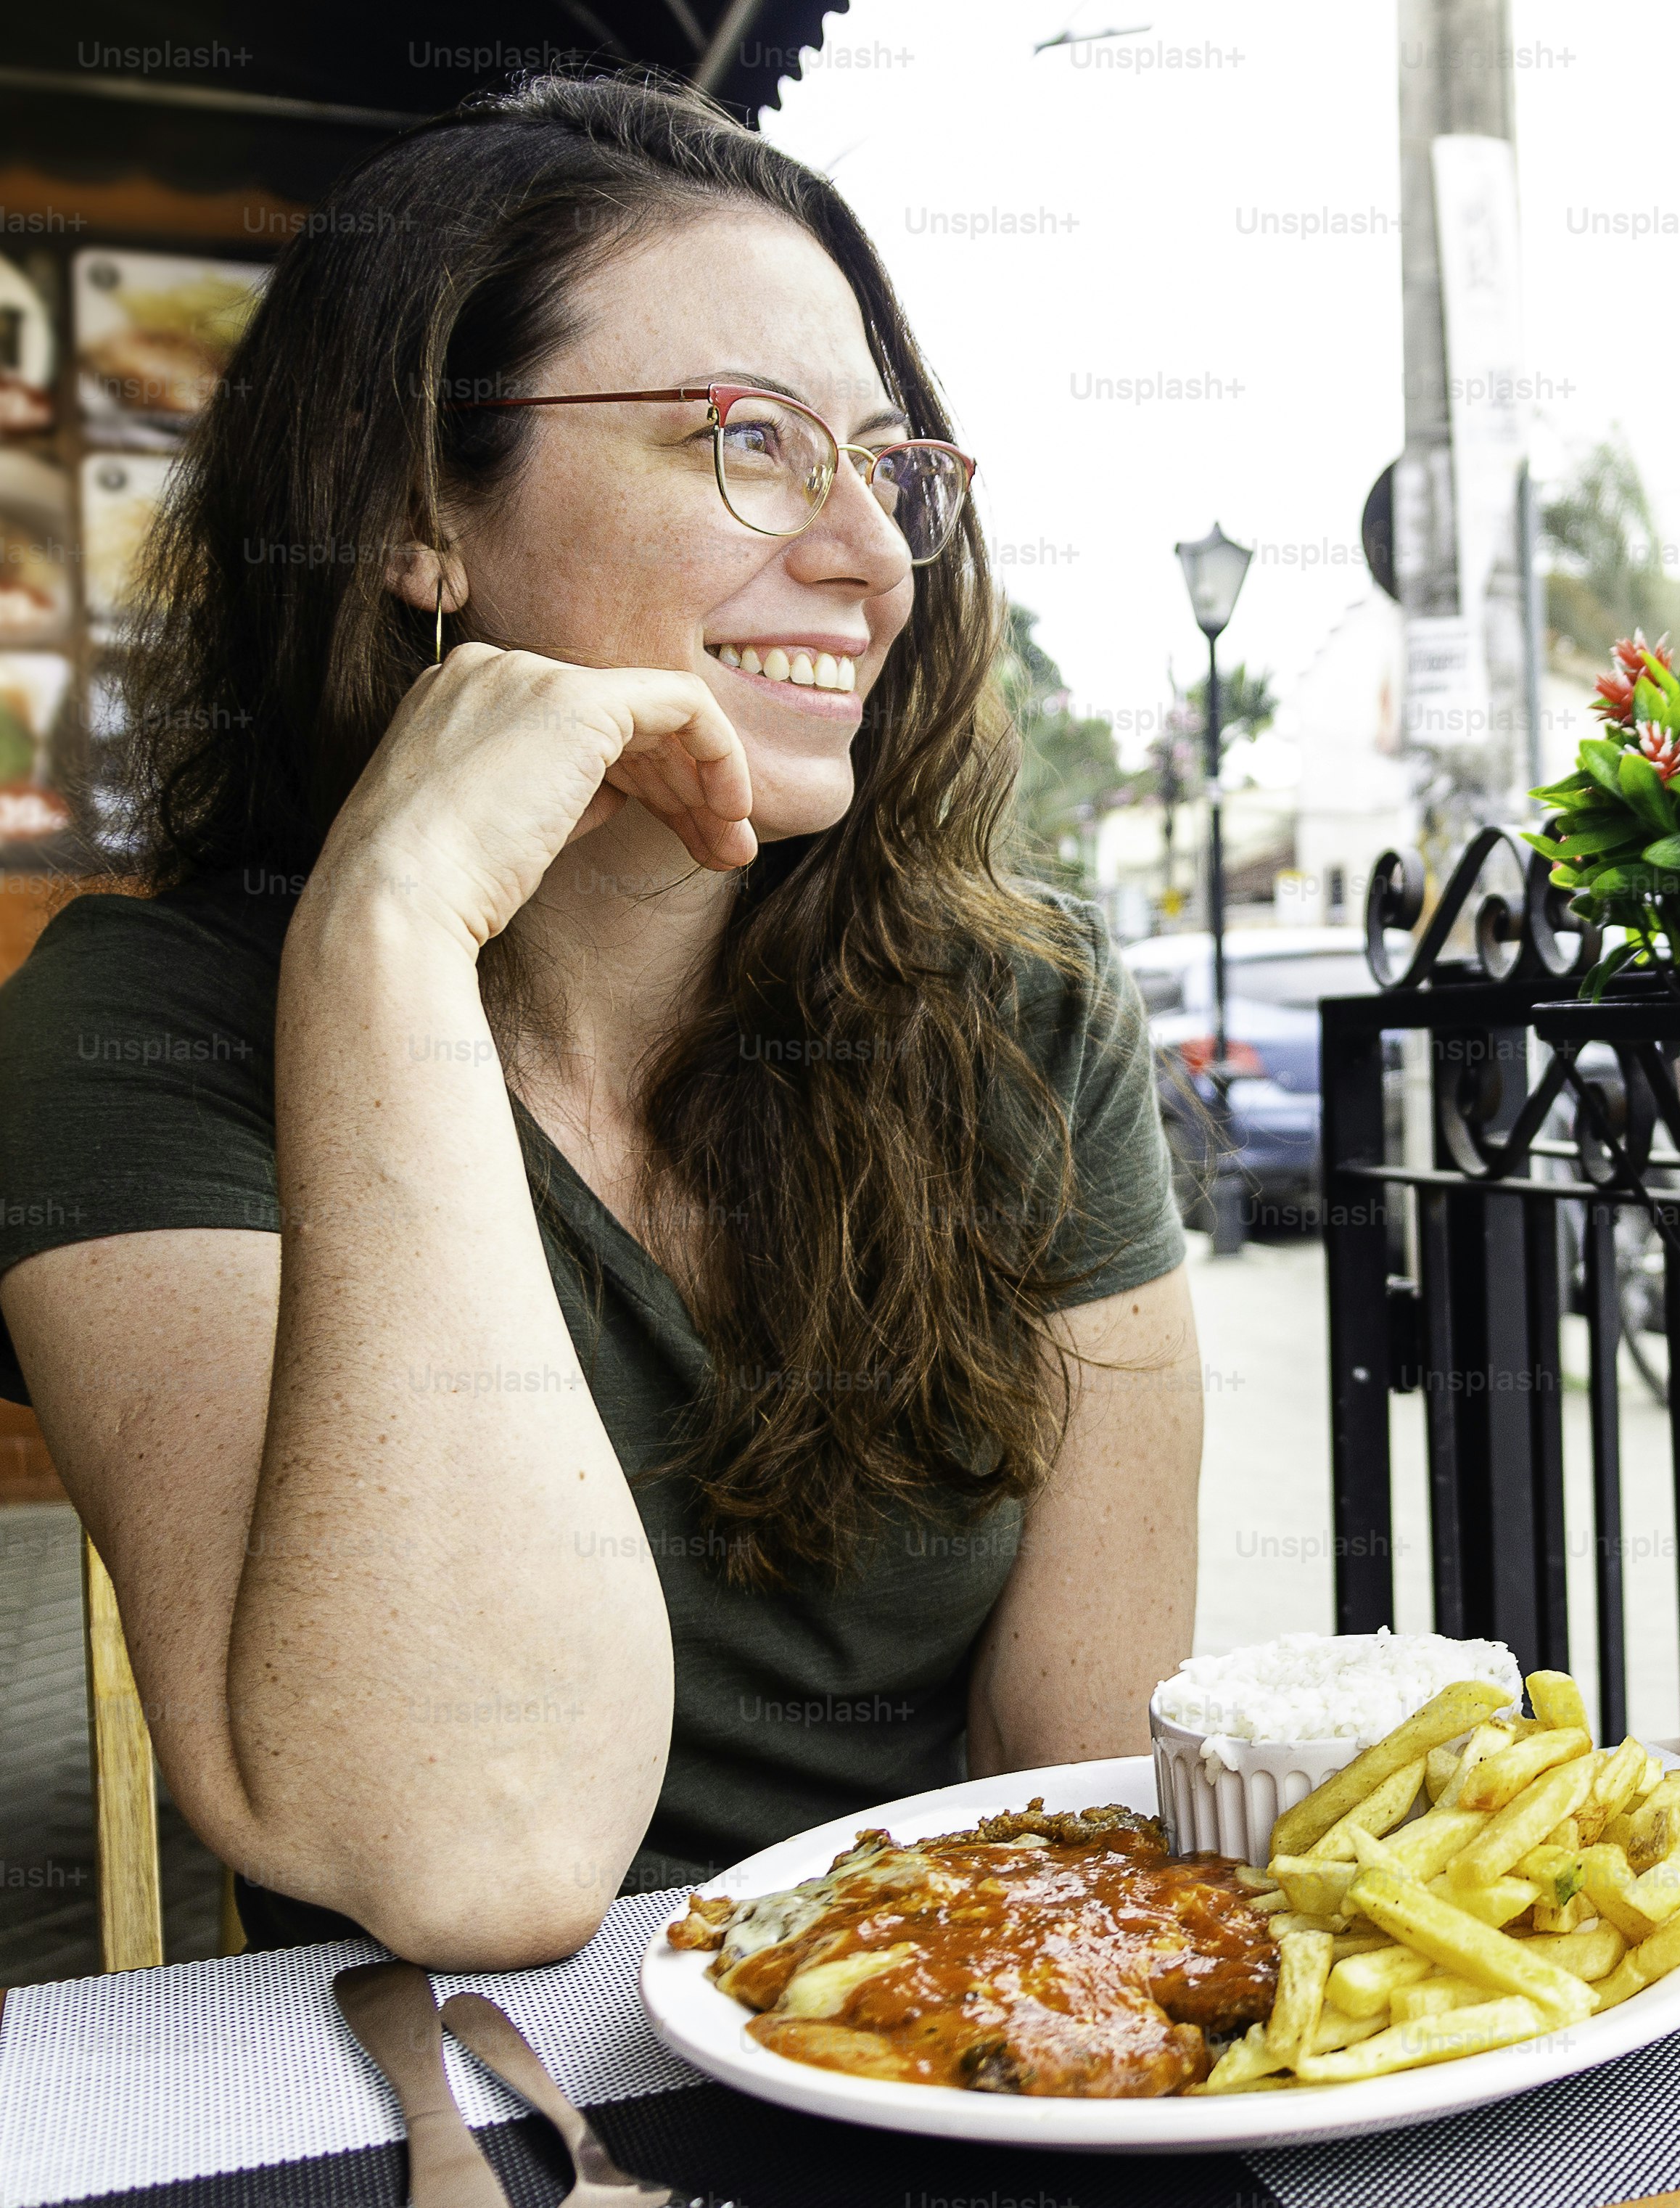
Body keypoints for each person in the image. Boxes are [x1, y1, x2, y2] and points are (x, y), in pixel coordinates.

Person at [0, 75, 1201, 1968]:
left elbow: (1089, 1783)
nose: (879, 561)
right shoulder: (149, 1031)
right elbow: (471, 1856)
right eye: (744, 441)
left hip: (970, 2057)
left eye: (888, 468)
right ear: (416, 514)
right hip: (473, 2101)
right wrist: (386, 941)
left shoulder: (1018, 1012)